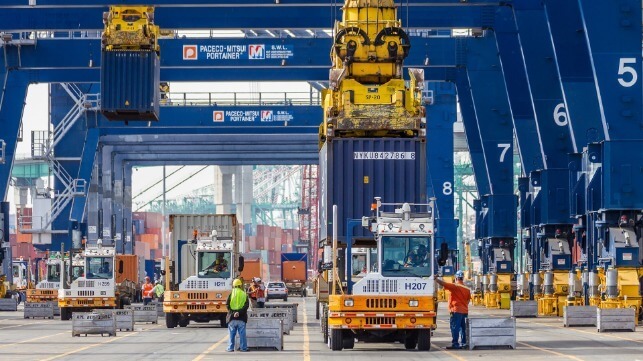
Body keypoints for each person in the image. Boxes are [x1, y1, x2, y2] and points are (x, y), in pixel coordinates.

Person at [436, 270, 471, 349]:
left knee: (455, 327)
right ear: (462, 278)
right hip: (465, 311)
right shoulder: (467, 289)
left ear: (456, 278)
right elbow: (468, 300)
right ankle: (464, 343)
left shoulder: (455, 286)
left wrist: (435, 279)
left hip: (456, 311)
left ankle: (455, 344)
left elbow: (443, 284)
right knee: (463, 328)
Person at [226, 278, 249, 352]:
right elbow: (246, 306)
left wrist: (233, 313)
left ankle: (230, 348)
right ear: (240, 285)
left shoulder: (231, 294)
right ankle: (243, 348)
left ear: (233, 285)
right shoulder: (244, 294)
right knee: (242, 335)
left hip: (232, 318)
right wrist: (239, 312)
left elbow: (227, 305)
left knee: (231, 334)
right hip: (241, 318)